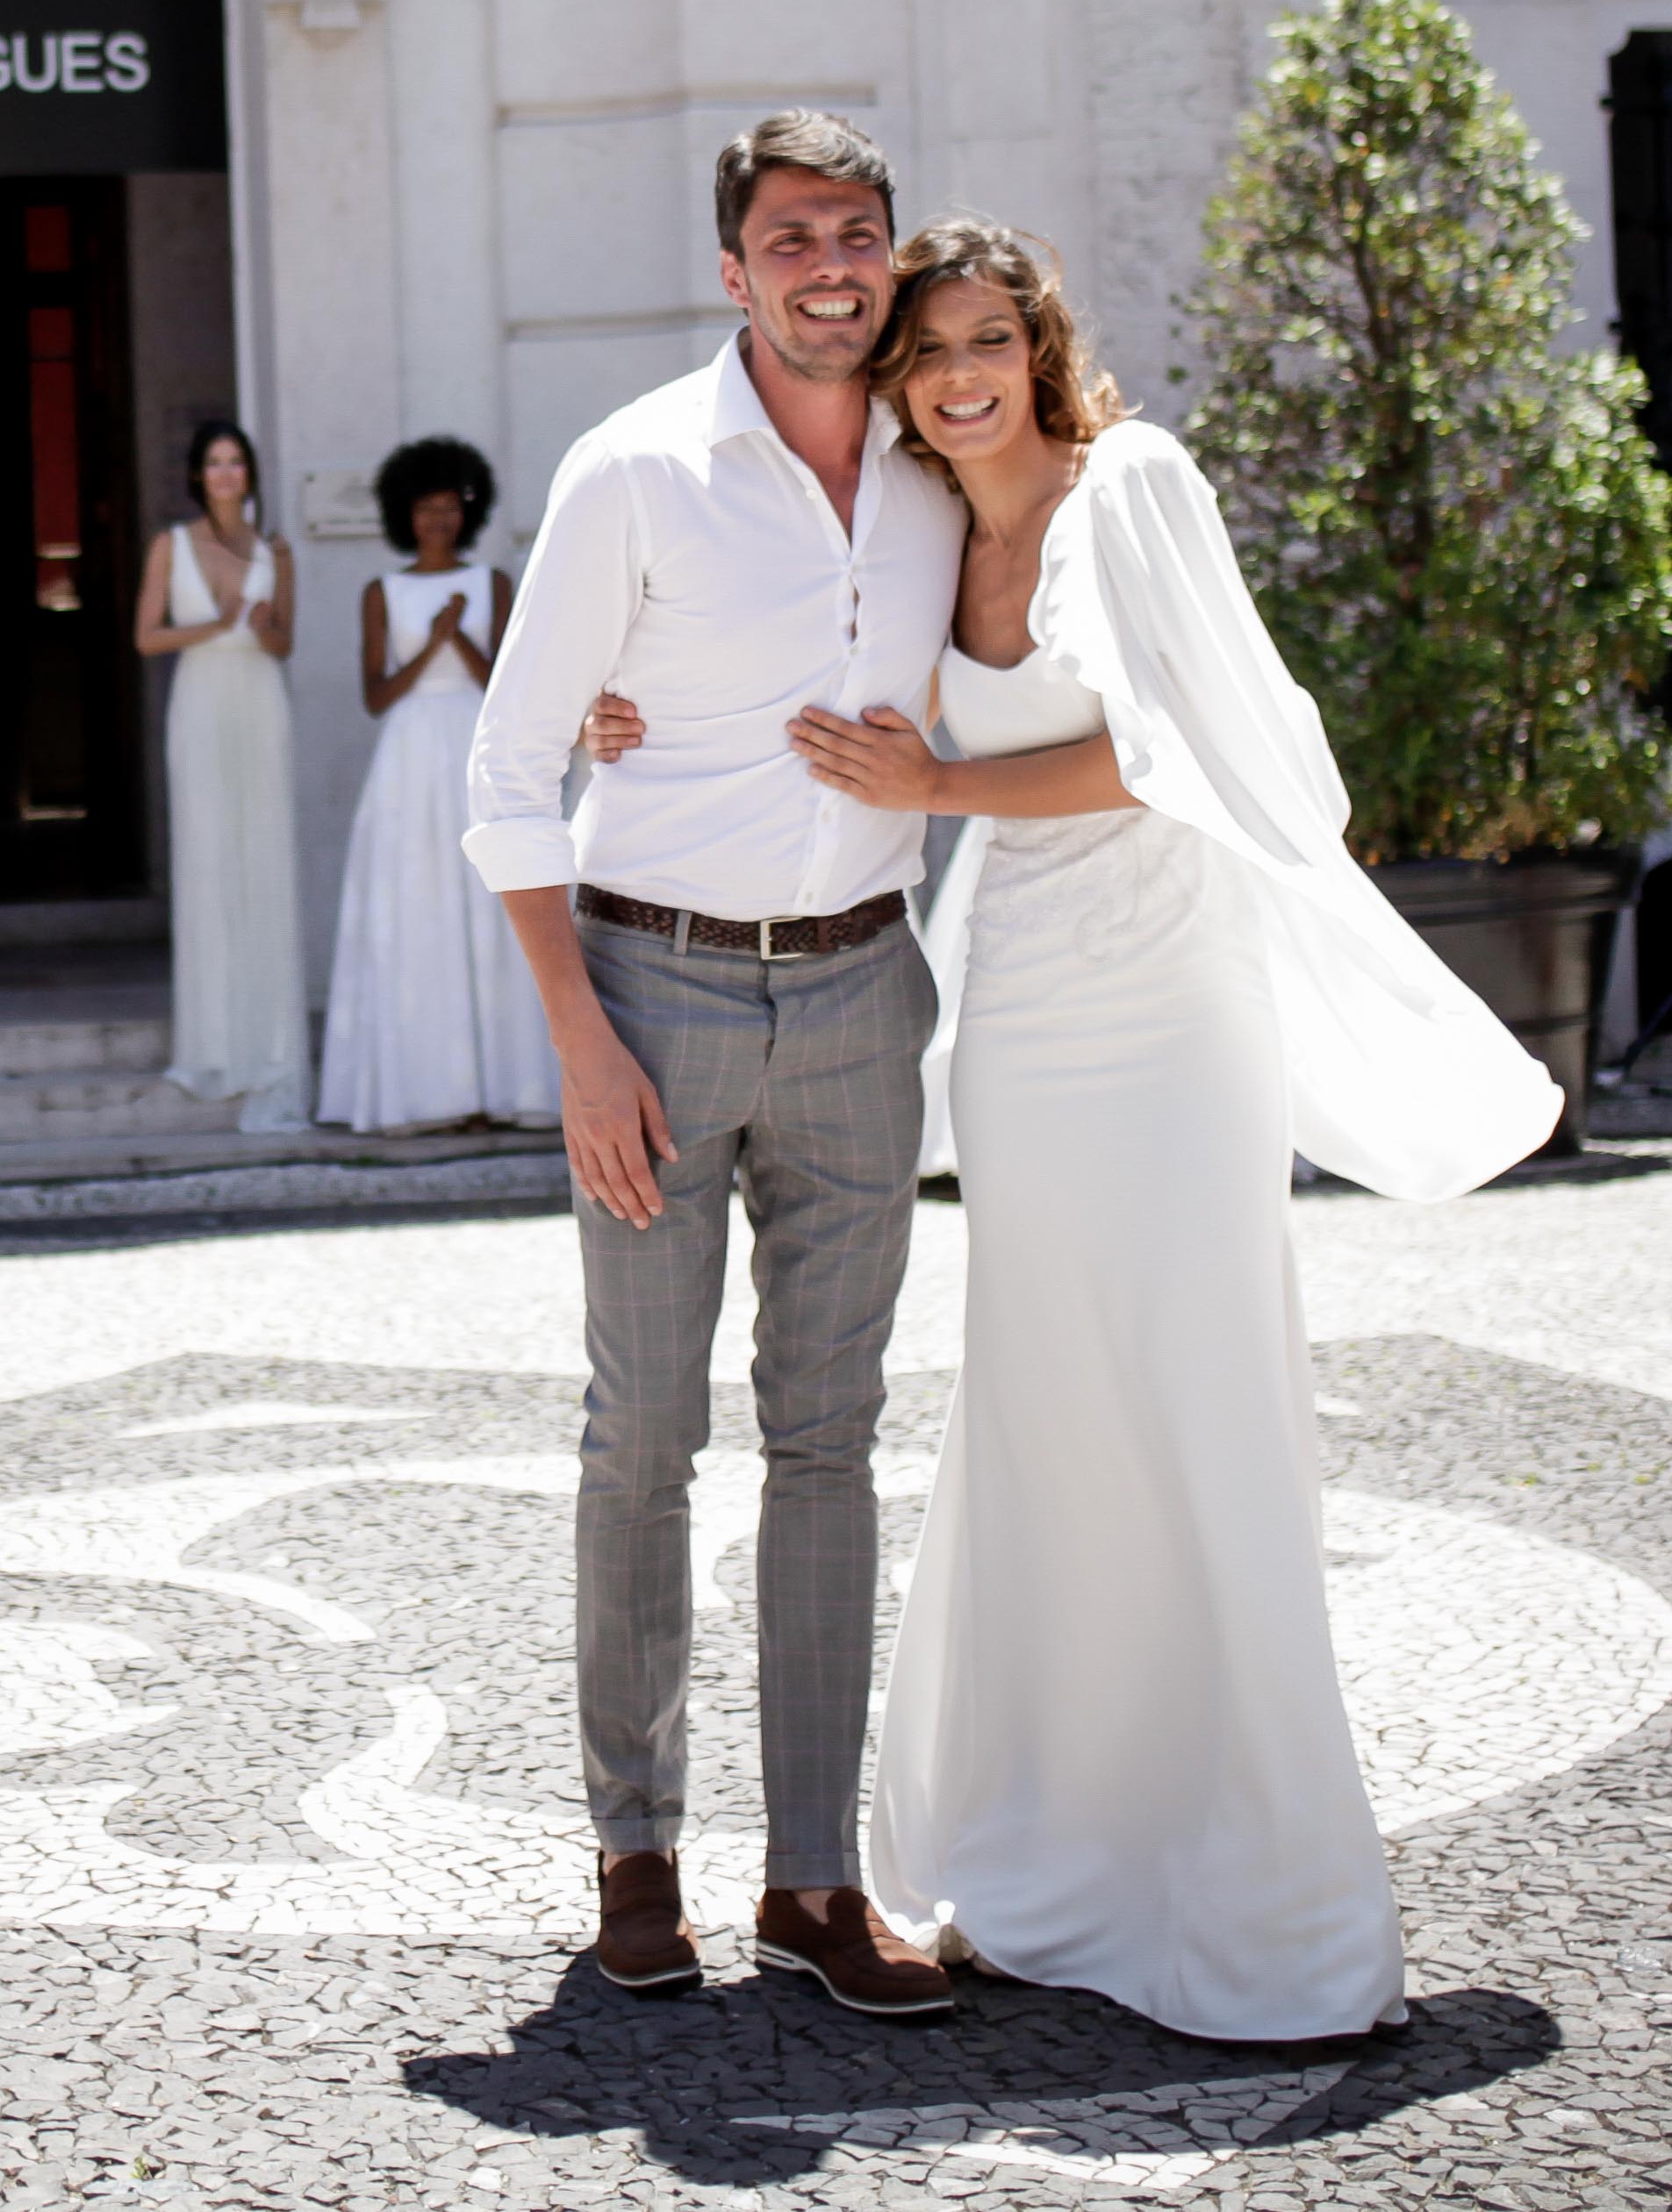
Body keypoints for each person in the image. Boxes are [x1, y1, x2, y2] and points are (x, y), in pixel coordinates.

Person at [585, 222, 1557, 2042]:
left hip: (1172, 1000)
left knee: (1195, 1399)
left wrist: (941, 780)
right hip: (1022, 1004)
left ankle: (1257, 1887)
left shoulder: (1137, 489)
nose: (958, 374)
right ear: (896, 382)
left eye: (987, 339)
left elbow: (1179, 745)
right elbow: (763, 658)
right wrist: (607, 702)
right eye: (927, 350)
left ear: (1037, 347)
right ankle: (1052, 1861)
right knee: (1045, 1411)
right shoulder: (918, 524)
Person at [463, 110, 968, 2019]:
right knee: (642, 1436)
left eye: (856, 228)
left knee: (829, 1442)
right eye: (789, 234)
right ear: (733, 266)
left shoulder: (945, 468)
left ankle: (815, 1884)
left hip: (863, 996)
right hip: (652, 994)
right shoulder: (635, 470)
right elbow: (509, 772)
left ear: (891, 249)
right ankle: (633, 1854)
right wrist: (580, 1044)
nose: (829, 261)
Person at [316, 437, 556, 1133]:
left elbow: (504, 687)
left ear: (466, 513)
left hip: (475, 746)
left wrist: (462, 638)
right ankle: (426, 1090)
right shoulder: (382, 592)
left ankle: (502, 1085)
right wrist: (434, 639)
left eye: (450, 508)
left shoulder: (493, 583)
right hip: (409, 756)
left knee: (487, 907)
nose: (438, 520)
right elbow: (376, 694)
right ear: (405, 514)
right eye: (426, 509)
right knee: (416, 906)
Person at [139, 420, 310, 1132]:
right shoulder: (170, 546)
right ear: (197, 475)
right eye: (213, 462)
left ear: (249, 472)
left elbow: (282, 644)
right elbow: (146, 637)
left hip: (258, 704)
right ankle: (211, 1041)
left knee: (262, 860)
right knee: (208, 859)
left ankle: (268, 1043)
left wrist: (261, 624)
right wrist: (216, 624)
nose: (225, 473)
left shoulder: (276, 550)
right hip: (201, 703)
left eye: (235, 461)